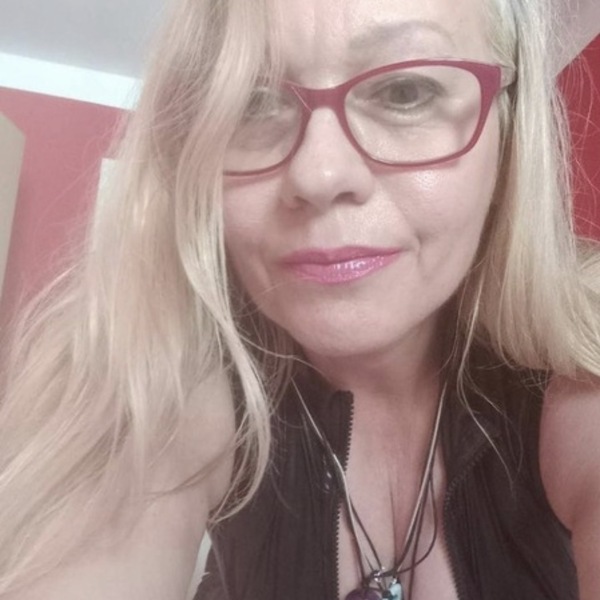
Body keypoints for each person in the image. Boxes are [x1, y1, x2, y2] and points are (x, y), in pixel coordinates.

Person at [1, 0, 600, 598]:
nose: (318, 175)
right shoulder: (165, 380)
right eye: (251, 103)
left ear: (508, 134)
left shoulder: (582, 380)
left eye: (405, 92)